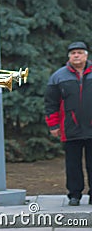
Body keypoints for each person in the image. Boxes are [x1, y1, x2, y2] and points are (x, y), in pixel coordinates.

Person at [45, 41, 92, 206]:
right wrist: (53, 125)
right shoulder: (58, 76)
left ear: (86, 55)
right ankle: (74, 194)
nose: (76, 55)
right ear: (69, 57)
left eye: (79, 52)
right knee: (73, 164)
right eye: (73, 53)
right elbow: (51, 103)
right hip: (70, 128)